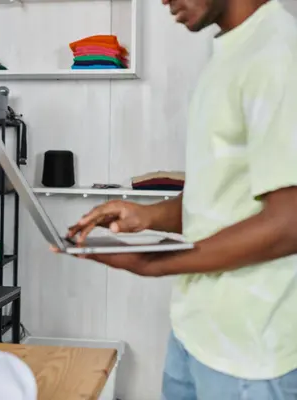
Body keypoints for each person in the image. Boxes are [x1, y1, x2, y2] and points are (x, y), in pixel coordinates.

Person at [62, 0, 297, 398]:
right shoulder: (229, 50)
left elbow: (288, 224)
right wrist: (144, 216)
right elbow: (217, 196)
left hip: (250, 358)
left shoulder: (278, 52)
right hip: (195, 335)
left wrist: (153, 264)